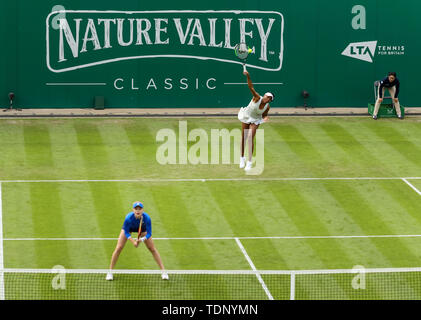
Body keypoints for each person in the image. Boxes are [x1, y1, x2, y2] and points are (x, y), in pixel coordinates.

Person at [106, 201, 168, 280]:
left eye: (140, 209)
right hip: (130, 229)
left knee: (152, 248)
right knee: (118, 248)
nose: (138, 210)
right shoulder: (128, 218)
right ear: (133, 210)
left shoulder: (147, 218)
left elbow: (149, 233)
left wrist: (141, 239)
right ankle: (110, 271)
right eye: (136, 209)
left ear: (143, 210)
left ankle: (163, 271)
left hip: (143, 230)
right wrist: (133, 241)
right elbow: (126, 232)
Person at [238, 70, 274, 171]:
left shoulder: (267, 106)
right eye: (267, 96)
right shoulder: (257, 97)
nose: (267, 98)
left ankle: (249, 162)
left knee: (250, 138)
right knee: (243, 137)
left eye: (270, 98)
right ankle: (242, 158)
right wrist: (248, 76)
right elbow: (251, 87)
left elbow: (264, 115)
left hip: (255, 120)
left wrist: (265, 118)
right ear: (265, 95)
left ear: (270, 100)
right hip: (246, 116)